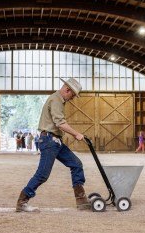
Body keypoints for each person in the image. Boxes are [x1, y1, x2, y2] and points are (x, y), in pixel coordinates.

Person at [16, 78, 90, 213]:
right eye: (72, 95)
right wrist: (76, 134)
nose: (72, 99)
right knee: (43, 174)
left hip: (56, 141)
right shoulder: (56, 100)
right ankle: (22, 201)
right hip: (49, 141)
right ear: (67, 90)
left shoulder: (58, 100)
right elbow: (60, 123)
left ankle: (81, 200)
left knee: (76, 164)